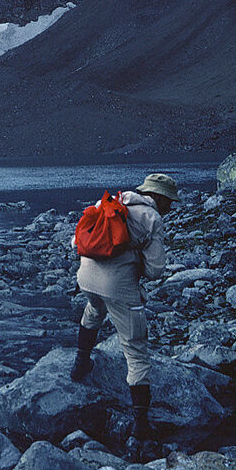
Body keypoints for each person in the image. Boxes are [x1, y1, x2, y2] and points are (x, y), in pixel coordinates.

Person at [69, 173, 179, 442]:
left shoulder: (110, 202)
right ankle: (141, 425)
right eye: (169, 201)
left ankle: (80, 365)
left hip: (86, 278)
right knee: (135, 348)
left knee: (95, 309)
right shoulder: (152, 218)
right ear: (160, 198)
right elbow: (155, 270)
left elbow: (76, 242)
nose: (170, 207)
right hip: (118, 286)